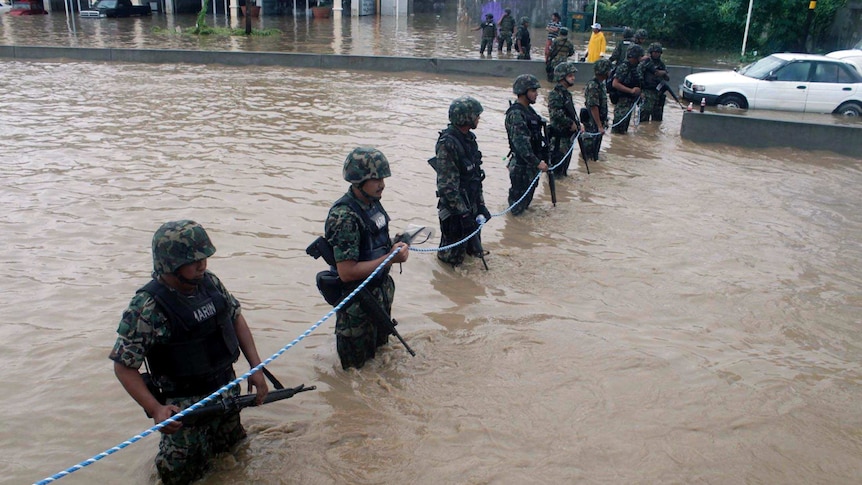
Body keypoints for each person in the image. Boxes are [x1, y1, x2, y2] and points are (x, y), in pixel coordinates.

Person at [110, 220, 269, 485]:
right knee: (180, 476)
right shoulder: (147, 307)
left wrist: (256, 369)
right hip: (184, 413)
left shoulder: (210, 284)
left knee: (233, 457)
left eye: (204, 258)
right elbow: (123, 366)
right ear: (170, 263)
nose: (202, 265)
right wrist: (155, 409)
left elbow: (236, 318)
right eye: (193, 260)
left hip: (226, 394)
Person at [324, 147, 409, 370]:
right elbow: (347, 272)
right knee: (356, 375)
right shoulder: (345, 217)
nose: (382, 184)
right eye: (375, 179)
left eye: (382, 177)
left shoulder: (372, 204)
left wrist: (396, 248)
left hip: (378, 298)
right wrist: (390, 259)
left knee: (381, 362)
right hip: (358, 308)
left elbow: (377, 246)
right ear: (358, 180)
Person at [432, 96, 491, 267]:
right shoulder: (447, 144)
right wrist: (463, 214)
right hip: (455, 210)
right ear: (466, 117)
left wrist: (480, 205)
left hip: (470, 202)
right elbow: (447, 187)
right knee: (451, 261)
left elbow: (475, 176)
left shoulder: (469, 139)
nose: (478, 119)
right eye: (476, 115)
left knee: (474, 254)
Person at [505, 74, 548, 215]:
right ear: (523, 92)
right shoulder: (516, 114)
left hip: (530, 166)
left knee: (525, 205)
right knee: (517, 210)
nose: (536, 94)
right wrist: (537, 162)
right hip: (522, 167)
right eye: (533, 91)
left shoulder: (529, 111)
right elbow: (521, 144)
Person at [548, 61, 583, 177]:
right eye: (570, 75)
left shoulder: (566, 94)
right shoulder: (555, 94)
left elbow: (570, 113)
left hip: (567, 137)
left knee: (563, 173)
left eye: (573, 75)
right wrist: (570, 123)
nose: (573, 78)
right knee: (556, 174)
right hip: (558, 139)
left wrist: (577, 124)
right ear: (562, 77)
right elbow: (556, 114)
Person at [611, 44, 644, 134]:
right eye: (639, 57)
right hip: (622, 102)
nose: (640, 59)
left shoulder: (635, 67)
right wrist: (631, 91)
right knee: (617, 131)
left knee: (623, 131)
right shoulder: (624, 67)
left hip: (629, 103)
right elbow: (615, 83)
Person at [582, 59, 610, 162]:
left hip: (597, 122)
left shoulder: (600, 84)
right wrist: (599, 126)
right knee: (590, 153)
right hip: (592, 122)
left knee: (595, 151)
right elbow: (594, 106)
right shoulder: (593, 85)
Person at [639, 42, 669, 122]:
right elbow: (639, 77)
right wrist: (640, 92)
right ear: (651, 52)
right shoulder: (645, 63)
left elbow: (667, 78)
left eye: (658, 52)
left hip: (658, 93)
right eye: (654, 52)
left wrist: (663, 73)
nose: (656, 54)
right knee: (643, 119)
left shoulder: (661, 64)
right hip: (646, 92)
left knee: (657, 120)